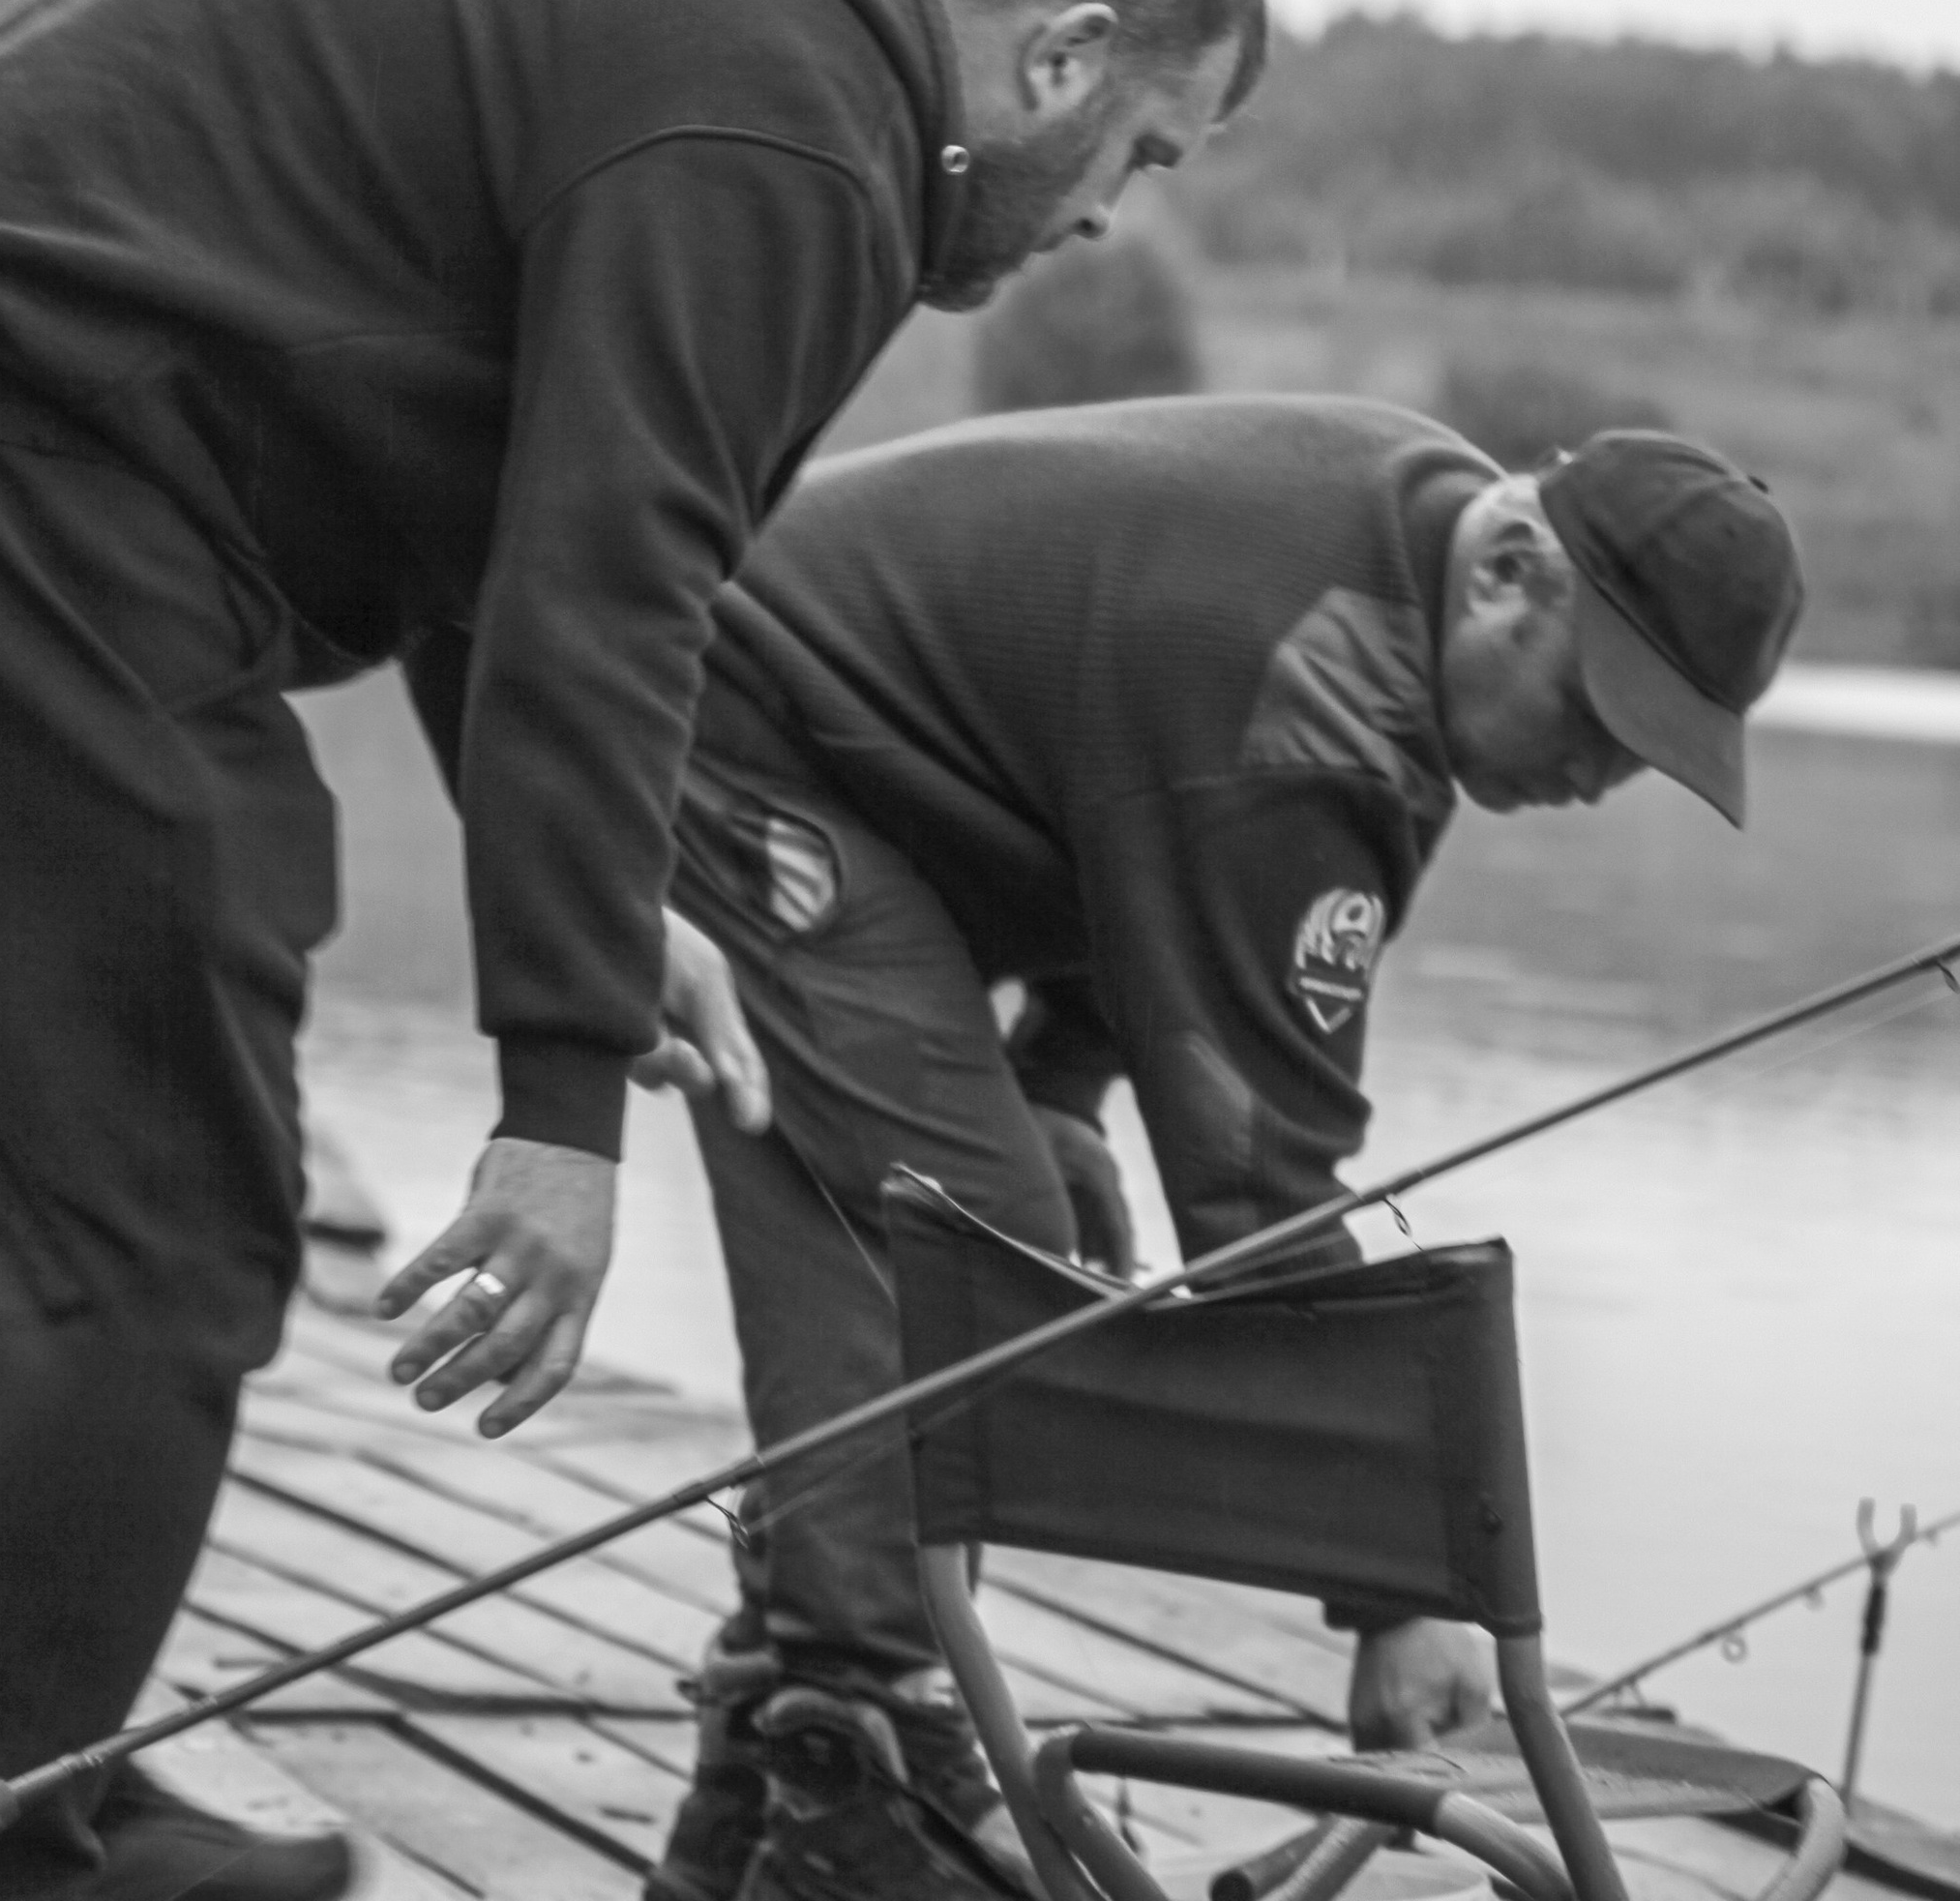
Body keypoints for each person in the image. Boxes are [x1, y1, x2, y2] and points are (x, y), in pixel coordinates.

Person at [0, 0, 1264, 1901]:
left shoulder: (725, 2)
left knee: (14, 1182)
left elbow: (507, 556)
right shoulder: (793, 121)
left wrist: (616, 934)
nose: (1102, 214)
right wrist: (558, 1104)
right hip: (17, 466)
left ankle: (30, 1796)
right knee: (169, 1224)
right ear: (1059, 50)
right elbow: (610, 587)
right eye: (1139, 148)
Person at [641, 397, 1804, 1901]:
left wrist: (1061, 1079)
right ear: (1516, 568)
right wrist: (1397, 1592)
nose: (1597, 777)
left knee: (977, 1200)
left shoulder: (1408, 568)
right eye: (1598, 715)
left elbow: (1136, 836)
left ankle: (774, 1770)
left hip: (876, 771)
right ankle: (862, 1749)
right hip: (747, 728)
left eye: (1645, 755)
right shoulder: (1313, 690)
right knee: (965, 1226)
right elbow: (1258, 1190)